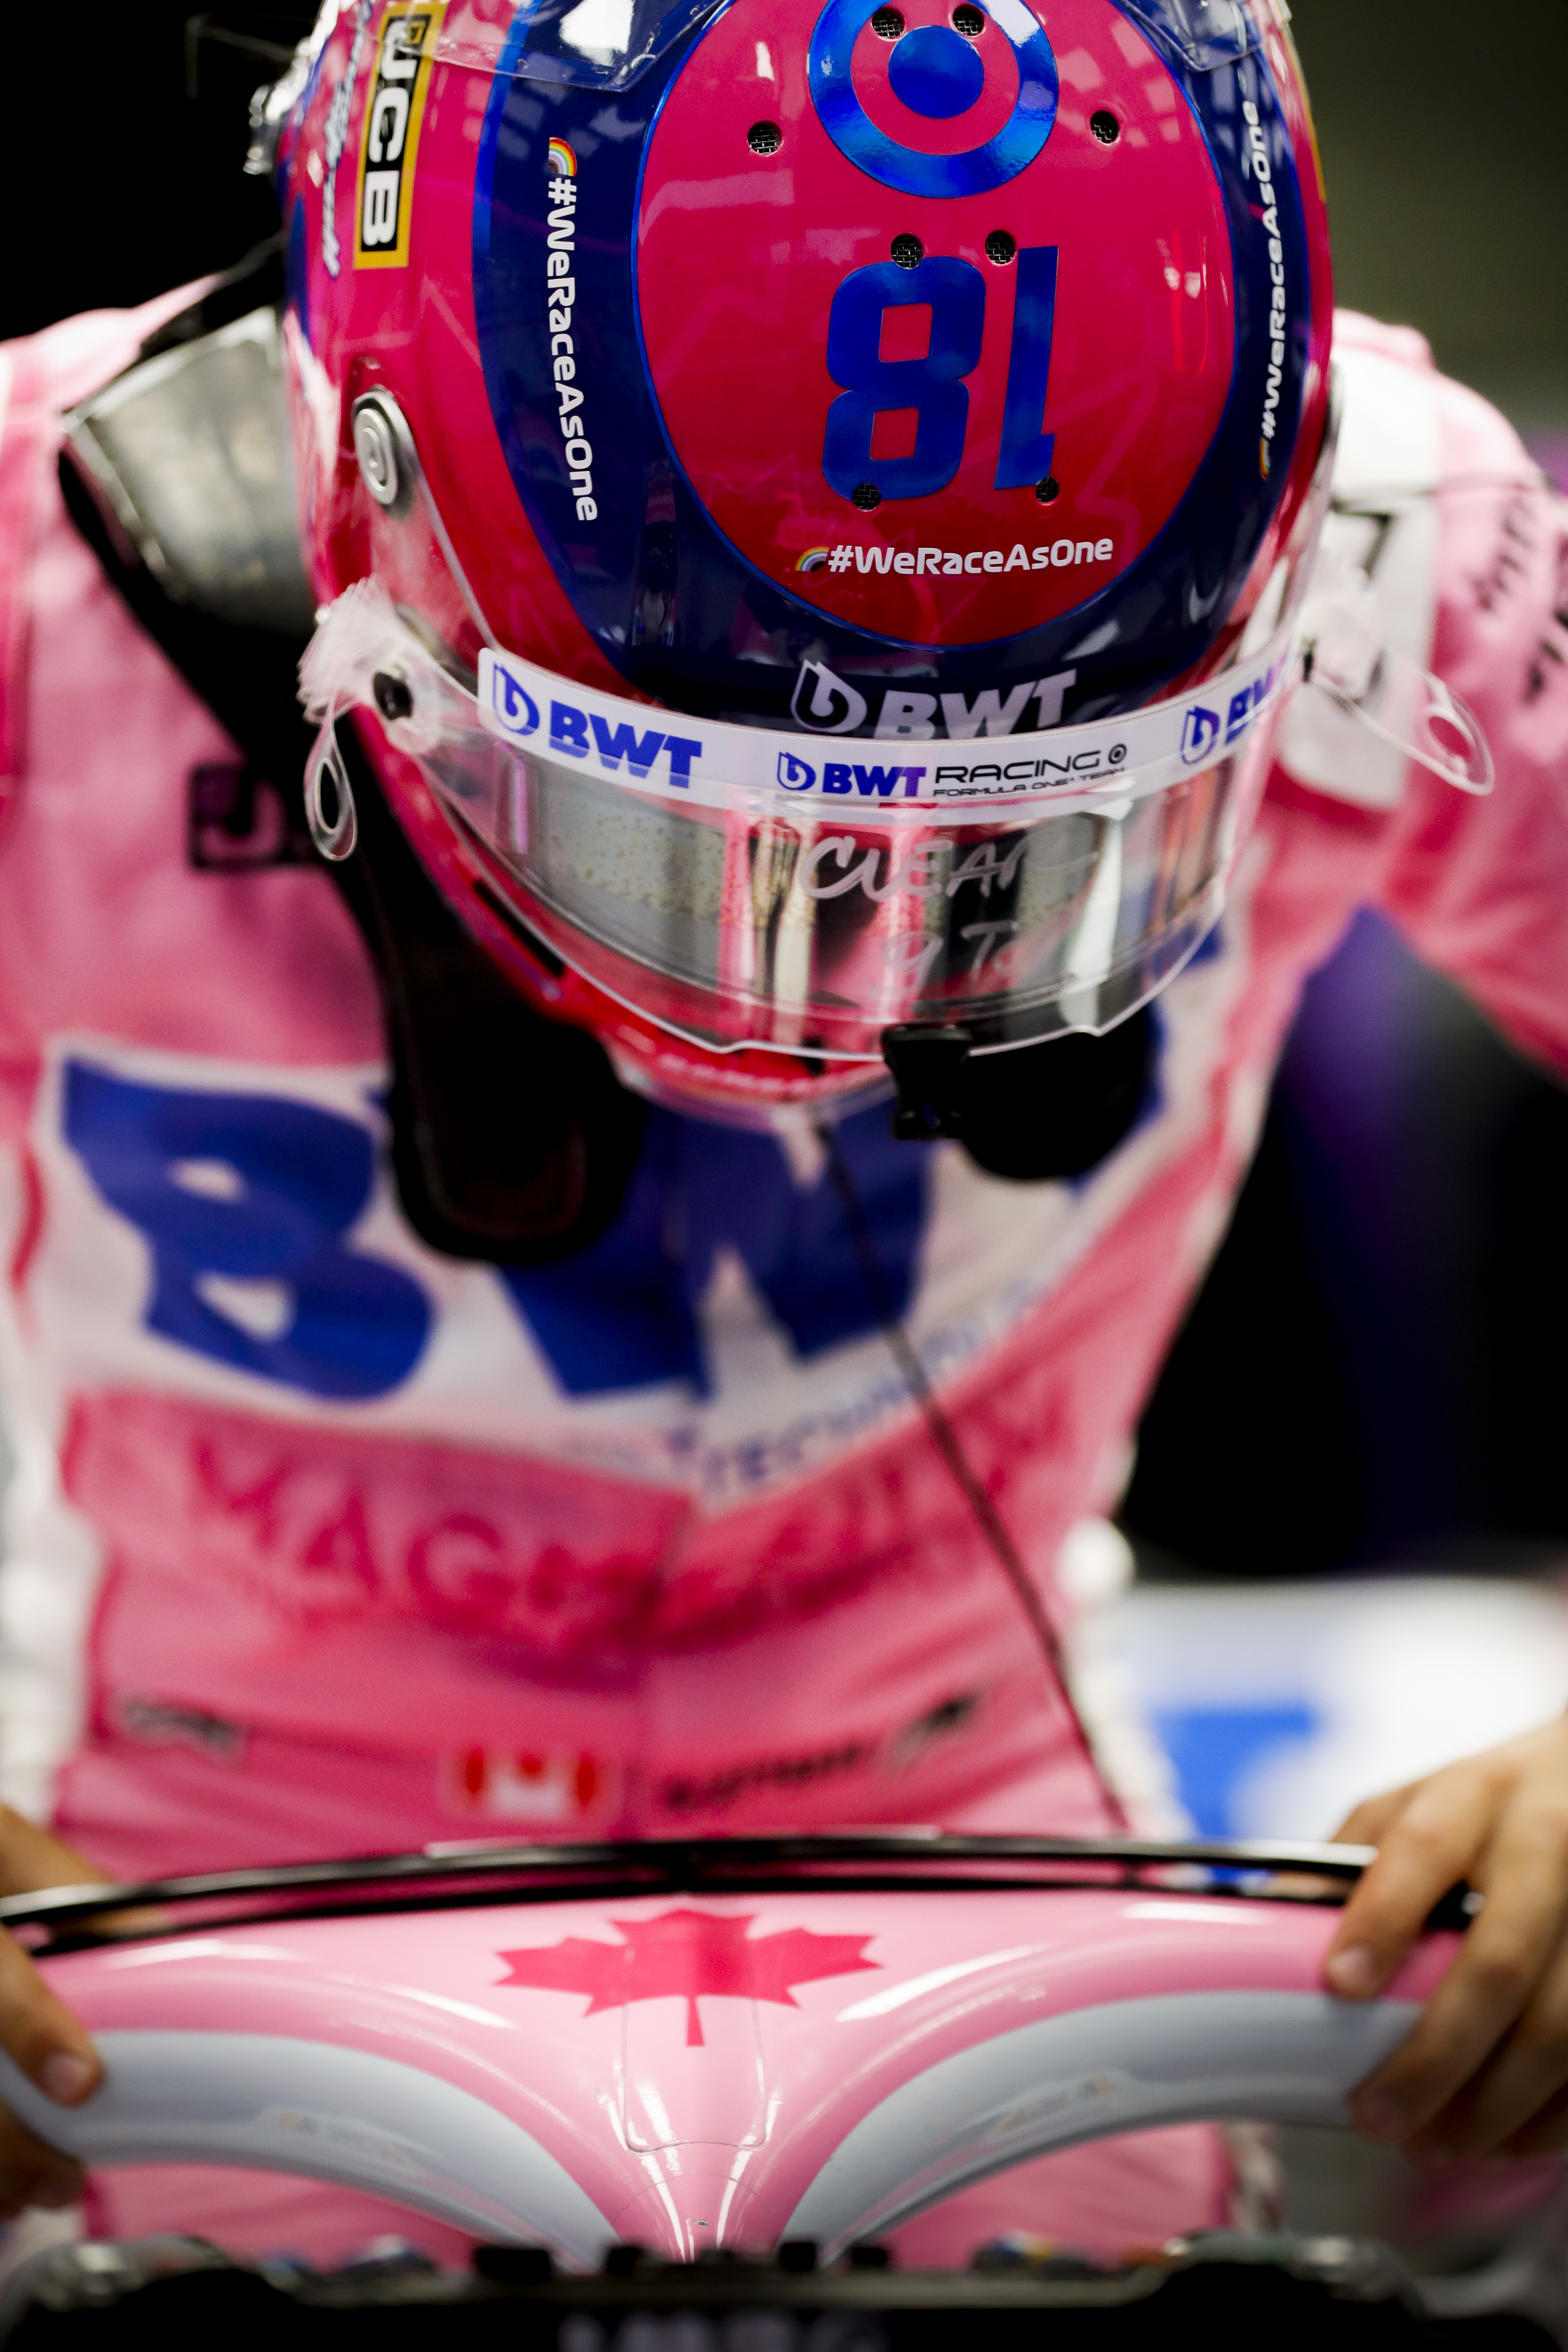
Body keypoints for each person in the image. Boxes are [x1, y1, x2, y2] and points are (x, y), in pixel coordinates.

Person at [0, 0, 1561, 2267]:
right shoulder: (30, 587)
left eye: (1009, 848)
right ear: (358, 511)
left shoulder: (1406, 541)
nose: (837, 1000)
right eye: (685, 837)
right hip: (169, 1858)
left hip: (975, 1840)